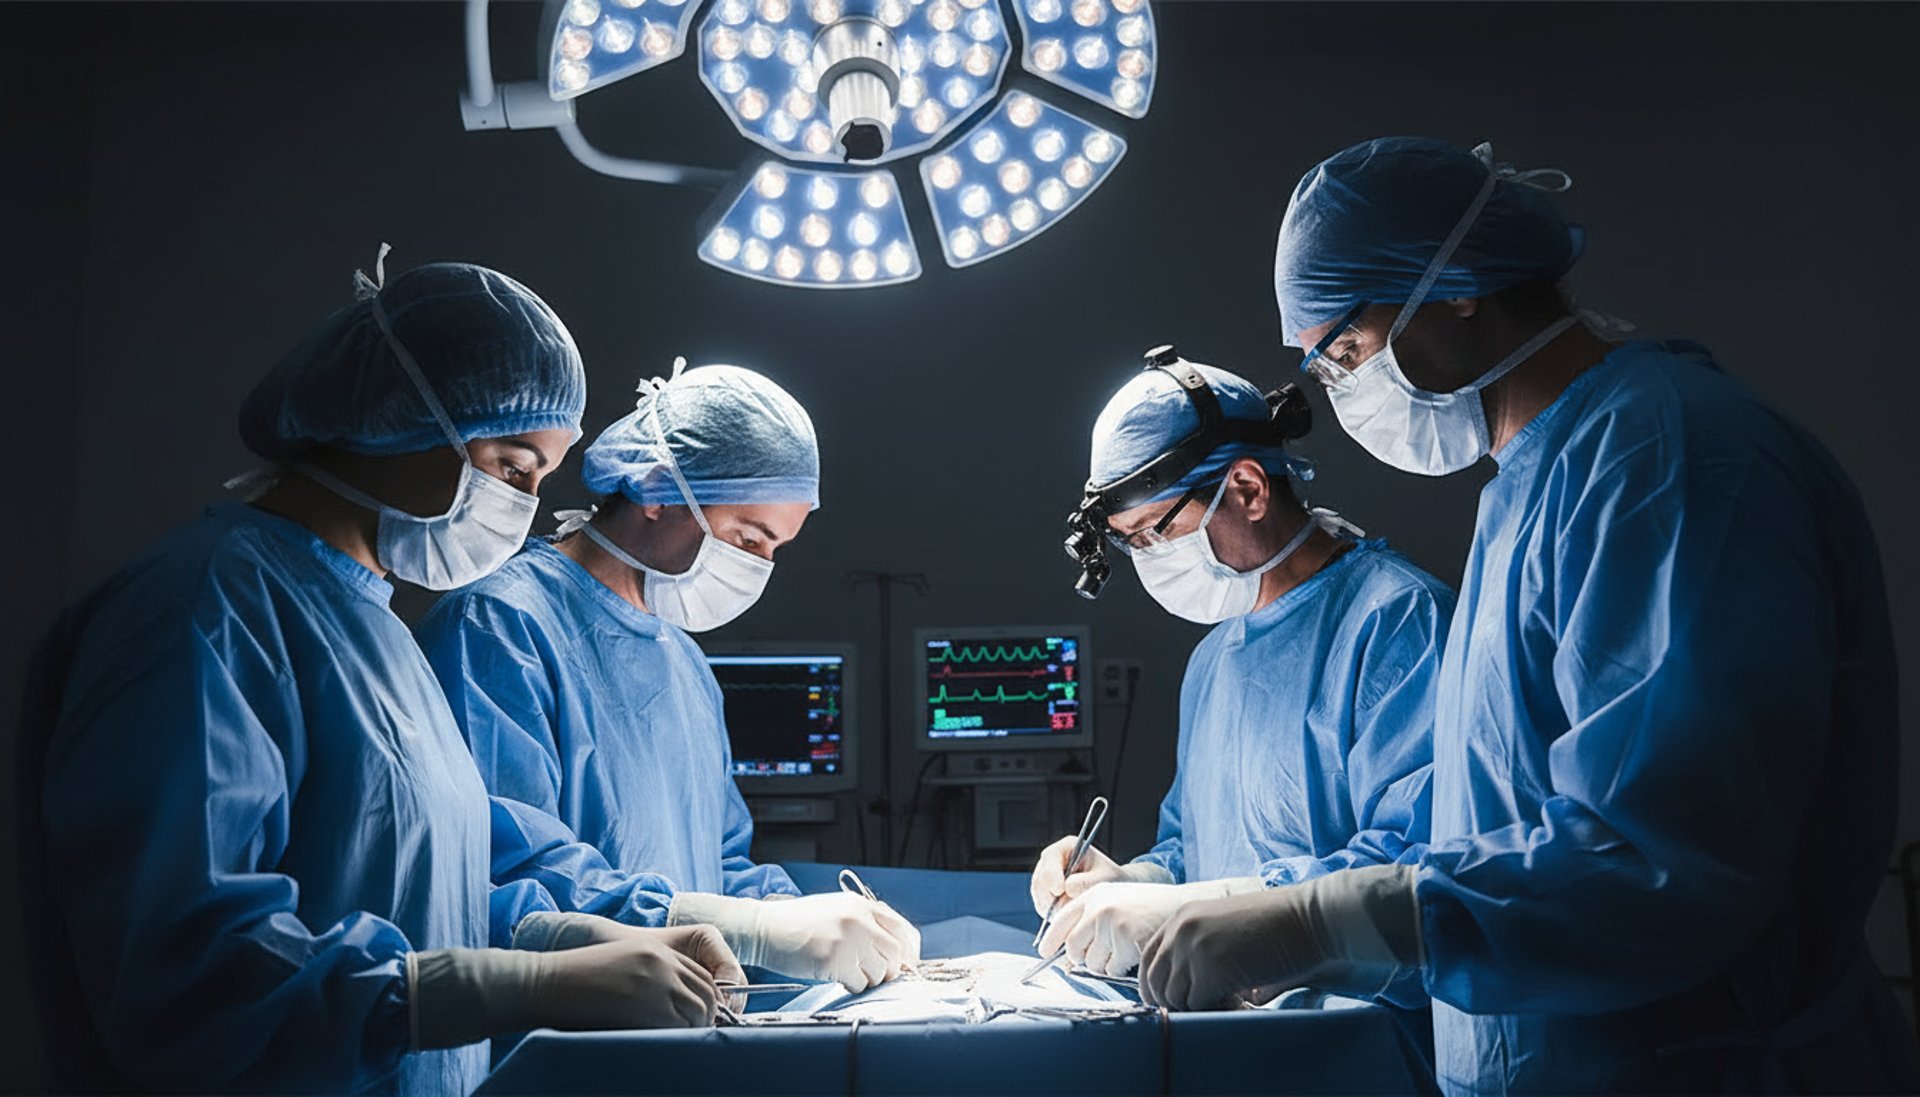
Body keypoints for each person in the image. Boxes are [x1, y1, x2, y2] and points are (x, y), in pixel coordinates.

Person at [1137, 137, 1920, 1094]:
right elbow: (1498, 829)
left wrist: (1313, 922)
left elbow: (1655, 859)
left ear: (1457, 283)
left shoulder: (1664, 464)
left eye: (1346, 350)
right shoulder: (1529, 491)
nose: (1343, 391)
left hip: (1695, 1065)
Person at [18, 251, 743, 1096]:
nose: (523, 507)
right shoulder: (203, 607)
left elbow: (425, 896)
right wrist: (517, 988)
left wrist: (566, 942)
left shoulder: (385, 630)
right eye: (513, 467)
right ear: (406, 416)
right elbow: (187, 972)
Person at [417, 360, 920, 994]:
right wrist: (747, 928)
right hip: (559, 1036)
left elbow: (721, 863)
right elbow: (515, 878)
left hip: (680, 1024)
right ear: (657, 490)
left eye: (775, 549)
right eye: (749, 536)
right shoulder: (497, 627)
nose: (760, 566)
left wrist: (799, 919)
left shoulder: (684, 661)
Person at [1030, 349, 1452, 1000]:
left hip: (1369, 1042)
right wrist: (1138, 885)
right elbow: (1196, 849)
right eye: (1130, 543)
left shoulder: (1397, 622)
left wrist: (1218, 909)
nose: (1150, 561)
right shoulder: (1214, 661)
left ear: (1250, 489)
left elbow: (1416, 872)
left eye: (1153, 532)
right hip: (1241, 1034)